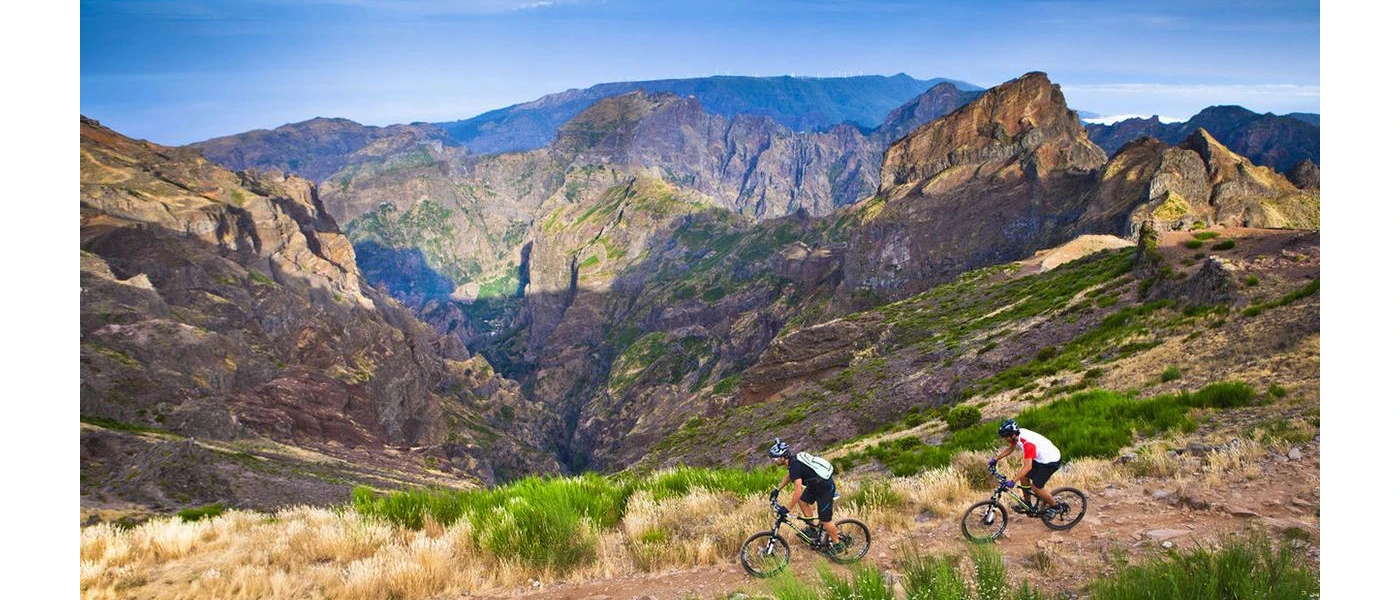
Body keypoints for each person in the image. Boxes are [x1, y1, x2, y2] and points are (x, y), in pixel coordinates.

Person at [767, 438, 842, 550]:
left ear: (783, 457)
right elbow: (790, 475)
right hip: (815, 484)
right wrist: (777, 489)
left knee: (825, 519)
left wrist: (787, 509)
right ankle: (813, 530)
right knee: (803, 502)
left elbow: (798, 491)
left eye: (775, 458)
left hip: (824, 487)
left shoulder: (795, 465)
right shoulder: (793, 462)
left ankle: (838, 544)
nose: (774, 461)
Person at [988, 418, 1068, 516]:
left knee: (1036, 488)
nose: (1004, 439)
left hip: (1050, 461)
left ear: (1012, 435)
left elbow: (1028, 467)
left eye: (1006, 437)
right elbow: (1011, 448)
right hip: (1040, 458)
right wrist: (996, 459)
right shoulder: (1017, 435)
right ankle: (1027, 504)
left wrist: (1013, 481)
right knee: (1023, 477)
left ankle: (1056, 507)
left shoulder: (1028, 444)